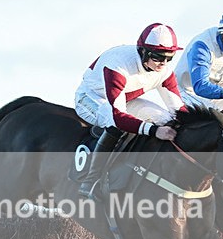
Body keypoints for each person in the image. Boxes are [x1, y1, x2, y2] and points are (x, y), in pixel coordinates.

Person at [74, 23, 184, 200]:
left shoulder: (164, 71)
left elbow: (179, 110)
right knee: (113, 122)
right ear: (143, 52)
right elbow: (118, 117)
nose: (163, 63)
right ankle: (91, 180)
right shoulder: (118, 65)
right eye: (157, 57)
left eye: (169, 58)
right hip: (91, 98)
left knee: (167, 118)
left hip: (125, 99)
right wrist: (154, 130)